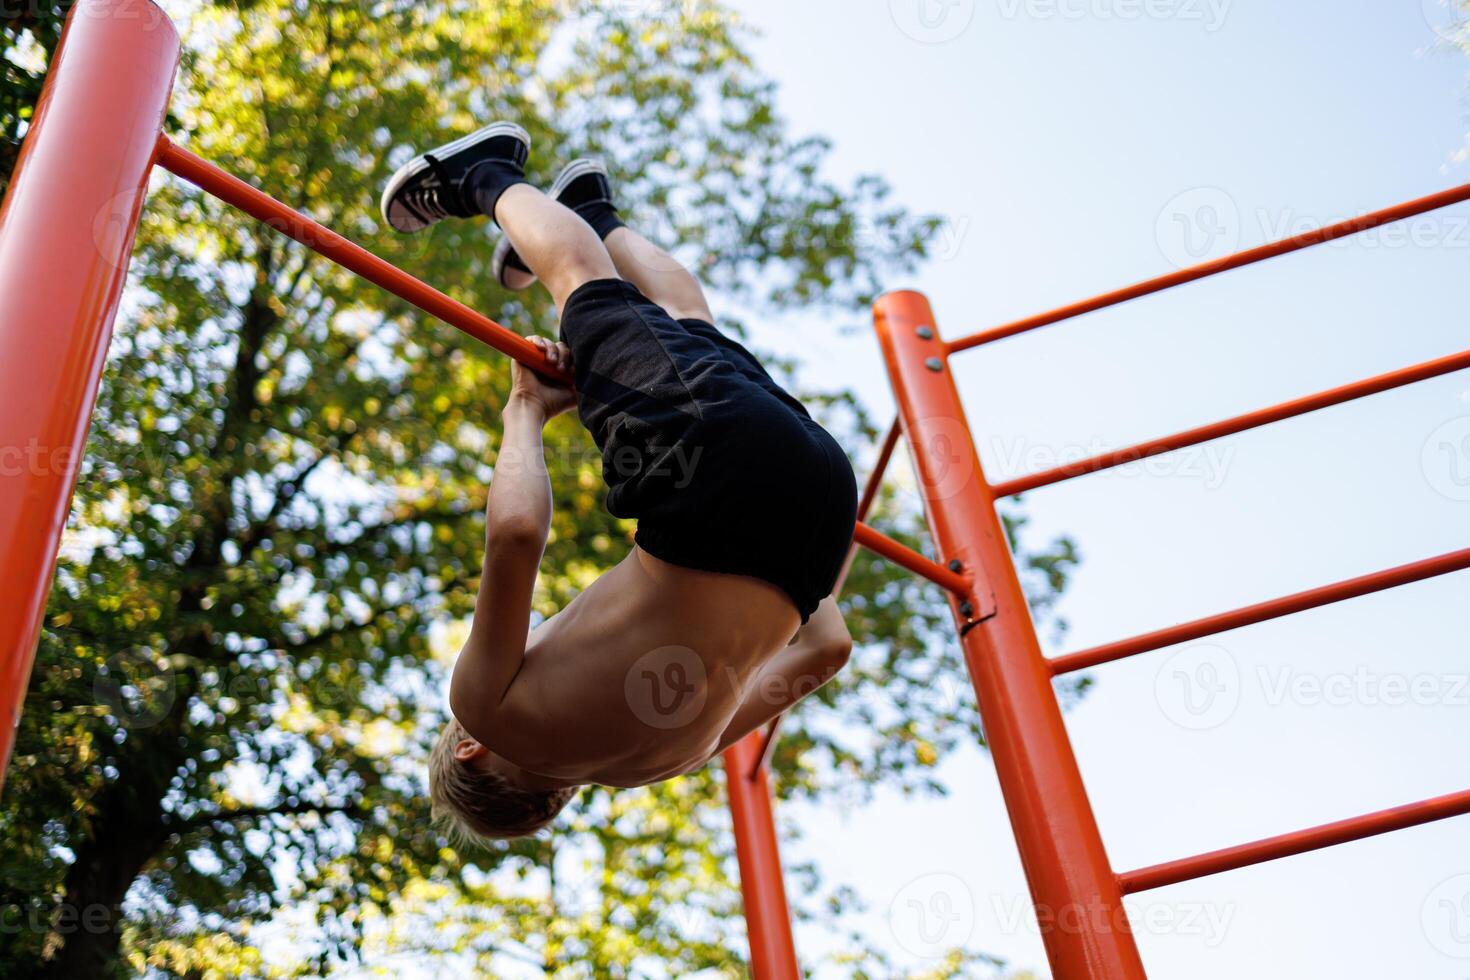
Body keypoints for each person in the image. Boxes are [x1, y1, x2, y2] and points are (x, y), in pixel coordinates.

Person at [382, 122, 858, 841]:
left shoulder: (669, 761)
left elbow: (826, 649)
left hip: (818, 511)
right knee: (585, 290)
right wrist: (526, 409)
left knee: (688, 324)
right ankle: (483, 175)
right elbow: (515, 536)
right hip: (709, 488)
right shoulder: (486, 710)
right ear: (471, 747)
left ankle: (593, 214)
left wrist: (788, 577)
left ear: (552, 805)